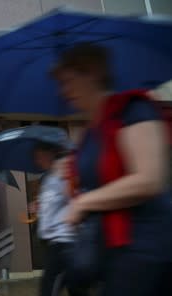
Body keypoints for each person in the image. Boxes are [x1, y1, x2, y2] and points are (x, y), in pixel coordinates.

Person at [51, 43, 172, 295]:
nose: (64, 91)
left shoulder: (133, 109)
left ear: (93, 73)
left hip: (146, 247)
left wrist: (84, 202)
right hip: (113, 250)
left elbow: (150, 179)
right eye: (61, 84)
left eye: (69, 81)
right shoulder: (90, 131)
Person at [31, 142, 88, 296]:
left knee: (49, 288)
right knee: (74, 288)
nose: (37, 160)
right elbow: (52, 204)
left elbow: (77, 196)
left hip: (65, 242)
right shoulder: (48, 178)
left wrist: (69, 186)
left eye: (39, 155)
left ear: (49, 153)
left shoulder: (64, 170)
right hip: (54, 242)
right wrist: (39, 207)